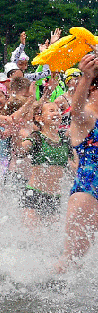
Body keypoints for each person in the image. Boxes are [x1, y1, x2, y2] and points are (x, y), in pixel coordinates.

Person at [58, 53, 98, 272]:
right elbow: (76, 112)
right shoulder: (88, 116)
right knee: (71, 261)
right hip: (89, 192)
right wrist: (86, 76)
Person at [17, 102, 73, 225]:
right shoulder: (36, 137)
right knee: (32, 234)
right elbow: (19, 151)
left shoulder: (65, 140)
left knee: (51, 235)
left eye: (58, 111)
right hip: (34, 194)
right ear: (39, 118)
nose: (56, 113)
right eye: (51, 110)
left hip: (54, 198)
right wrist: (15, 133)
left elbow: (74, 167)